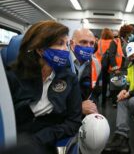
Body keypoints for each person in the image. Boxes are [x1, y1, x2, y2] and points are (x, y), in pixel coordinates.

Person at [6, 20, 82, 153]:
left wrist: (44, 136)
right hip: (15, 138)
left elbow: (73, 122)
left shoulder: (70, 79)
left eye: (67, 44)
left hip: (47, 140)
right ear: (41, 49)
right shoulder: (13, 77)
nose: (66, 49)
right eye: (60, 43)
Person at [103, 42, 134, 154]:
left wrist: (130, 93)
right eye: (130, 57)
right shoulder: (131, 66)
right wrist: (124, 90)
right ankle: (122, 136)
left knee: (132, 101)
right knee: (122, 100)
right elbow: (129, 82)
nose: (132, 58)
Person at [69, 28, 101, 115]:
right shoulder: (61, 61)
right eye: (83, 42)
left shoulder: (96, 64)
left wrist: (92, 108)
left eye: (92, 43)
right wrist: (78, 107)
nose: (88, 46)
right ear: (72, 44)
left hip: (85, 113)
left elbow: (95, 92)